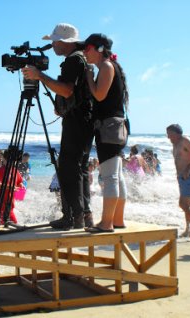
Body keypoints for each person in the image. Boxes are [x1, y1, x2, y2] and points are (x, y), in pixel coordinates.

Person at [22, 23, 95, 230]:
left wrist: (39, 76)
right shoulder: (82, 58)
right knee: (78, 168)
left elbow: (67, 90)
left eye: (54, 41)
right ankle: (83, 215)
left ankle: (71, 217)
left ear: (64, 42)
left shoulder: (73, 60)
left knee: (67, 169)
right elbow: (74, 92)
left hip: (78, 120)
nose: (52, 45)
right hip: (85, 119)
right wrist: (63, 105)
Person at [80, 33, 128, 233]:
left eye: (87, 48)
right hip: (115, 128)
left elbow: (99, 95)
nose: (84, 52)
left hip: (108, 128)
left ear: (98, 49)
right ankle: (117, 220)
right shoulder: (111, 66)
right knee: (117, 175)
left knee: (110, 177)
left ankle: (106, 223)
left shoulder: (107, 67)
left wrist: (89, 78)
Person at [166, 124, 190, 238]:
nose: (168, 137)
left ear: (177, 134)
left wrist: (188, 169)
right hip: (182, 178)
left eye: (170, 134)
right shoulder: (175, 145)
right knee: (187, 206)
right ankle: (188, 229)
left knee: (183, 204)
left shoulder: (184, 141)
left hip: (189, 176)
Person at [0, 149, 24, 224]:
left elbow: (20, 183)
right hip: (1, 207)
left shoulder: (15, 171)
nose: (13, 162)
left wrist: (21, 188)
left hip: (10, 206)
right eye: (10, 160)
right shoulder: (0, 170)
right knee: (12, 226)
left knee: (13, 227)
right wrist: (10, 187)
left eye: (14, 160)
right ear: (3, 158)